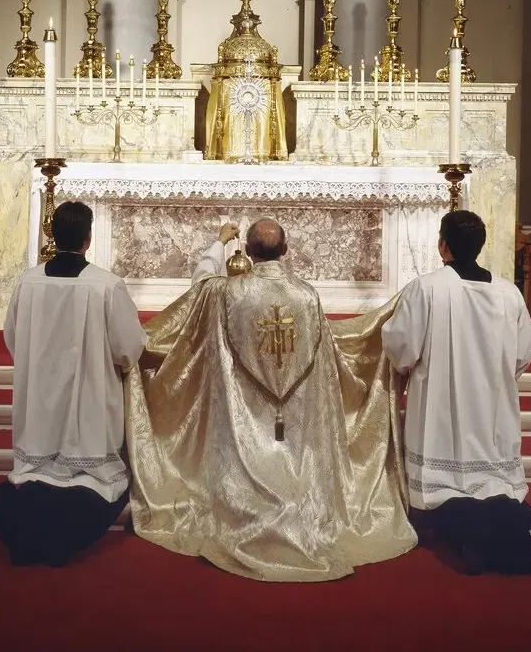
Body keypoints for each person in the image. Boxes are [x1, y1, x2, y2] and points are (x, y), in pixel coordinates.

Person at [126, 218, 416, 581]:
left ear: (247, 253)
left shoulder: (224, 293)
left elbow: (198, 289)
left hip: (242, 421)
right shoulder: (307, 296)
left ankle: (246, 505)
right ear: (286, 250)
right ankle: (298, 501)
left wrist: (218, 244)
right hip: (296, 420)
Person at [382, 209, 531, 575]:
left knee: (448, 484)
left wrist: (407, 365)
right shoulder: (508, 293)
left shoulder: (427, 287)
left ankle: (462, 526)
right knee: (493, 478)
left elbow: (402, 347)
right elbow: (523, 352)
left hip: (440, 404)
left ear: (443, 246)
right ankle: (501, 530)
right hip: (492, 405)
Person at [0, 201, 147, 566]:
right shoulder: (106, 286)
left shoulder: (28, 282)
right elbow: (128, 349)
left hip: (38, 392)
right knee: (91, 450)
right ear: (88, 238)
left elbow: (12, 337)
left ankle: (40, 465)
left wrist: (41, 364)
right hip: (90, 393)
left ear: (52, 234)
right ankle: (83, 472)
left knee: (39, 445)